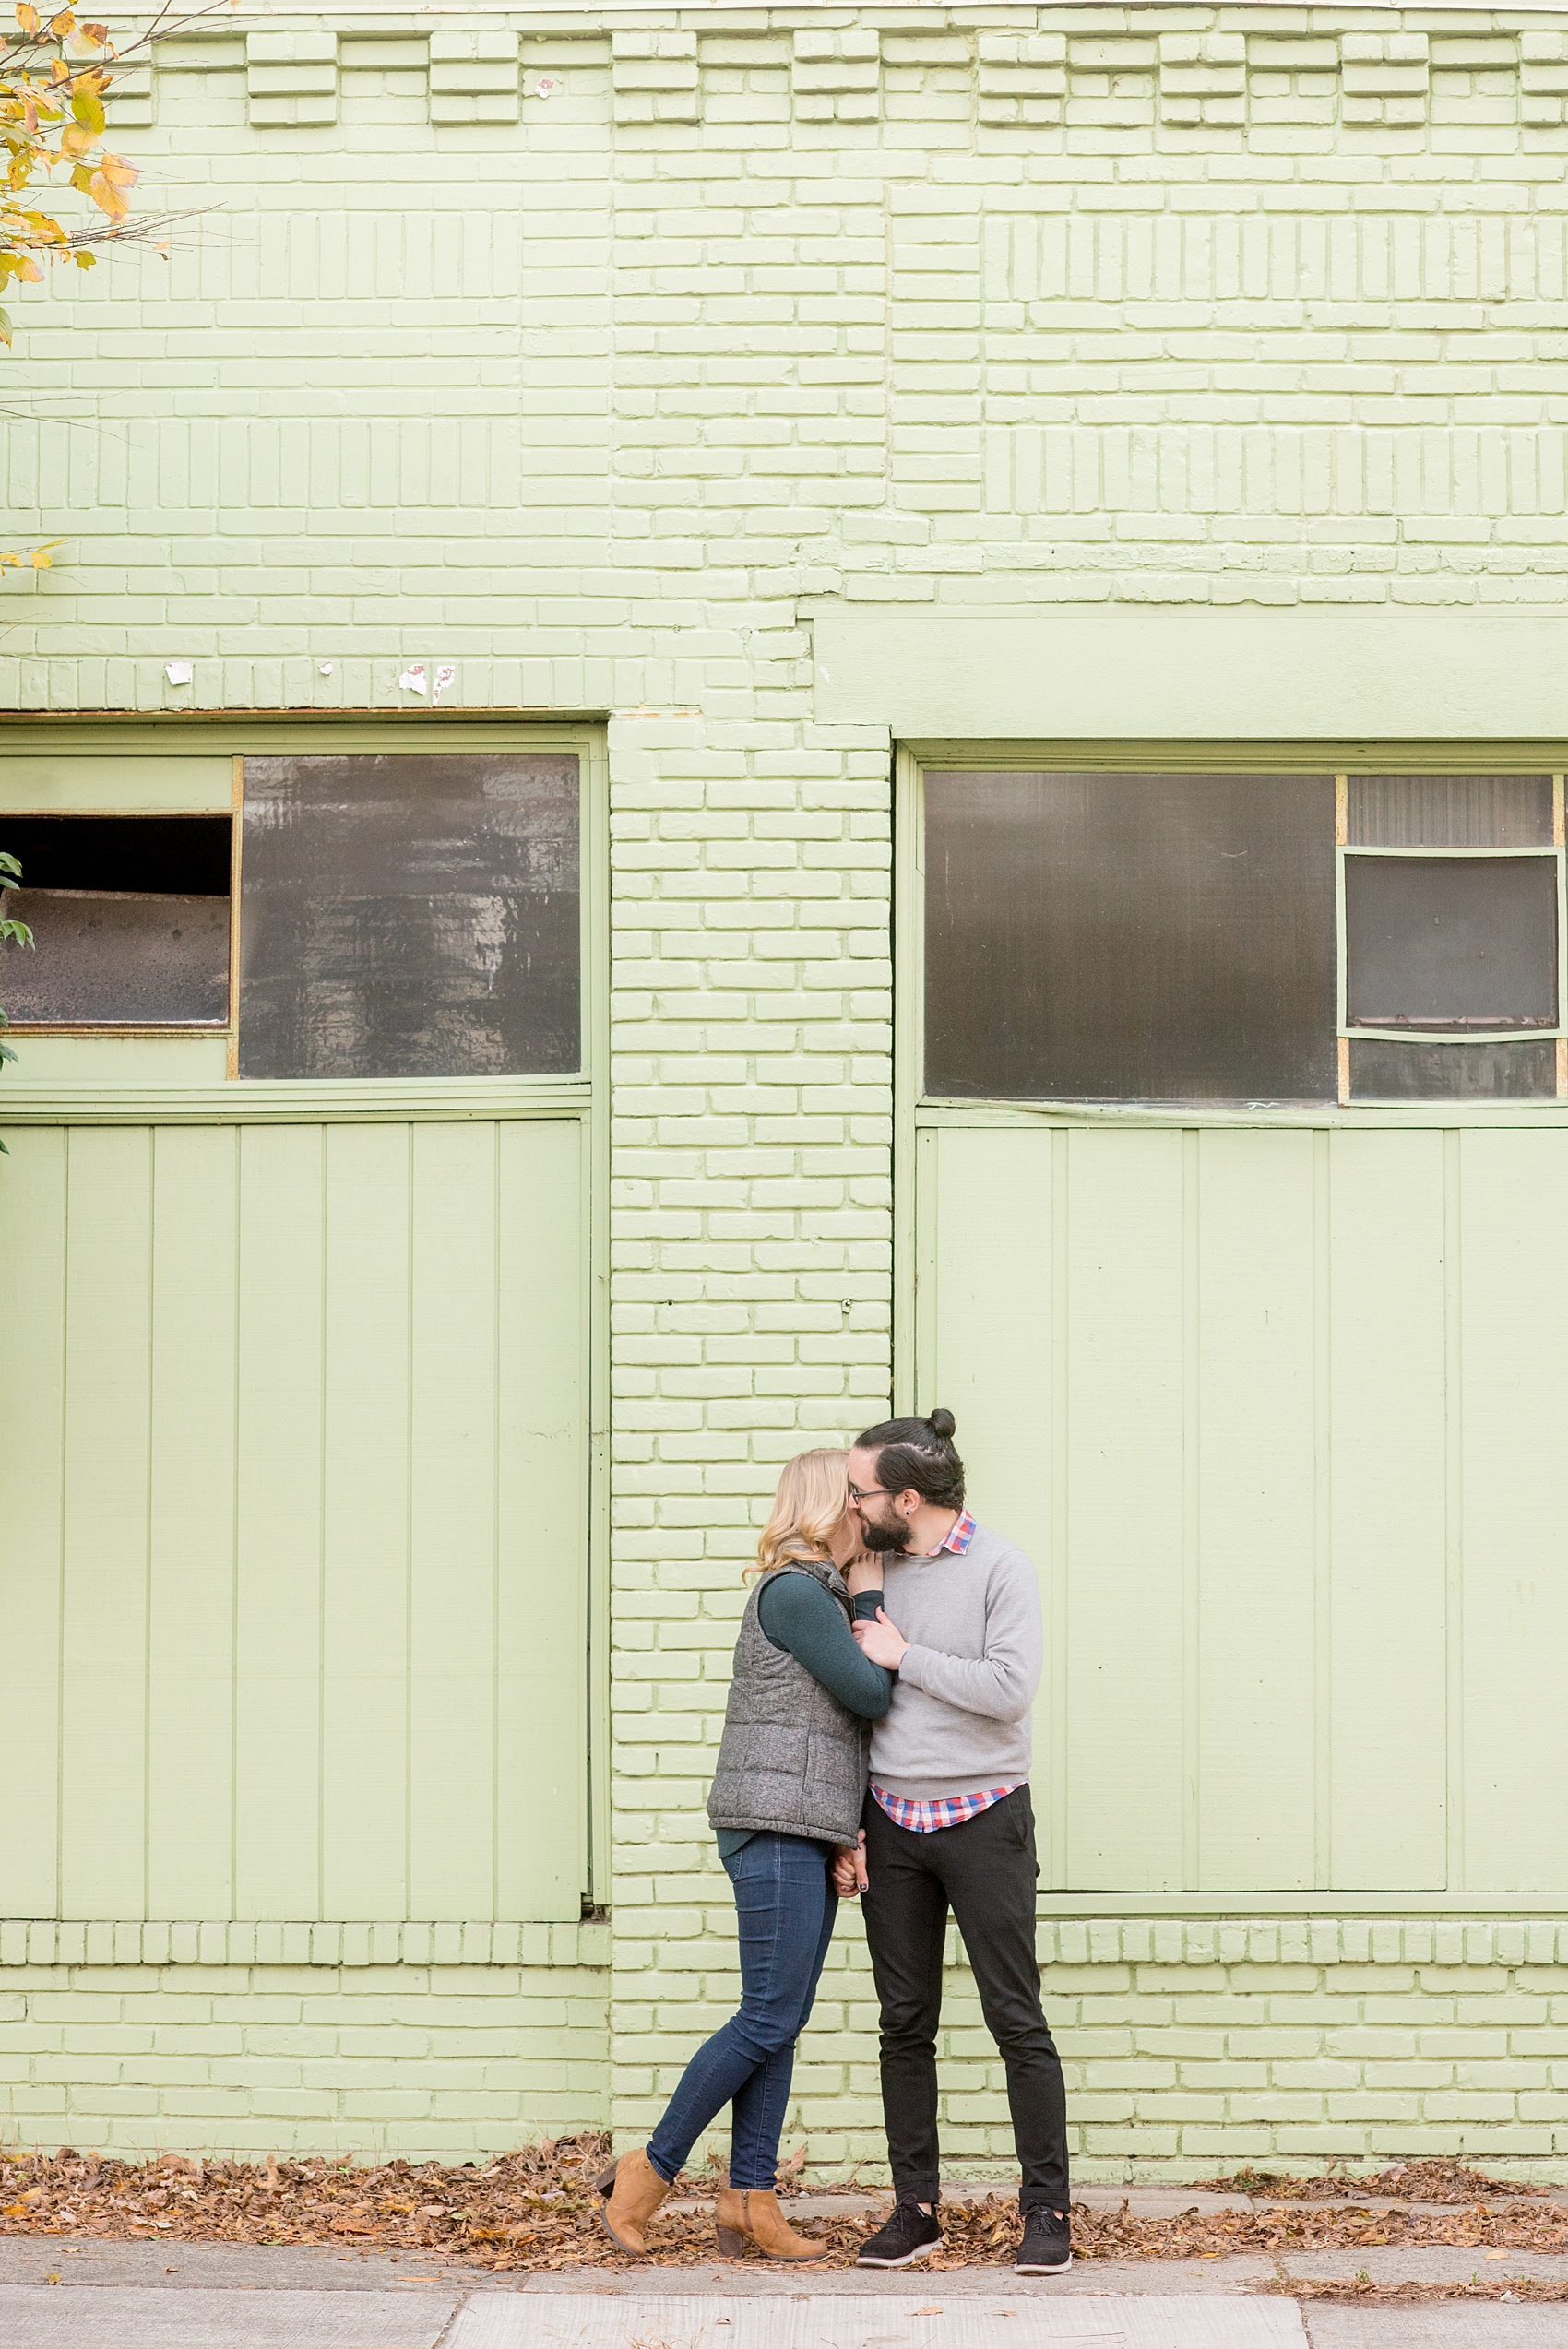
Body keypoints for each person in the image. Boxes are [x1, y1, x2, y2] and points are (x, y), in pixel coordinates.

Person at [596, 1447, 890, 2262]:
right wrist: (870, 1597)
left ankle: (749, 2202)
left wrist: (842, 1830)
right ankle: (646, 2171)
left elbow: (829, 1735)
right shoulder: (799, 1593)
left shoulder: (812, 1593)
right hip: (771, 1823)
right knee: (767, 2015)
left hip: (799, 1824)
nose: (869, 1515)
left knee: (780, 2019)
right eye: (859, 1501)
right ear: (833, 1506)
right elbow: (869, 1693)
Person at [840, 1407, 1072, 2277]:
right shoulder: (868, 1568)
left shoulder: (1001, 1567)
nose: (851, 1506)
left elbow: (1010, 1689)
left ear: (908, 1495)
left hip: (985, 1818)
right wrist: (848, 1823)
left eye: (861, 1492)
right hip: (892, 1822)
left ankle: (1045, 2210)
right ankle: (916, 2210)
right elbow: (846, 1704)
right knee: (905, 2024)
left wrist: (906, 1655)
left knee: (1016, 2017)